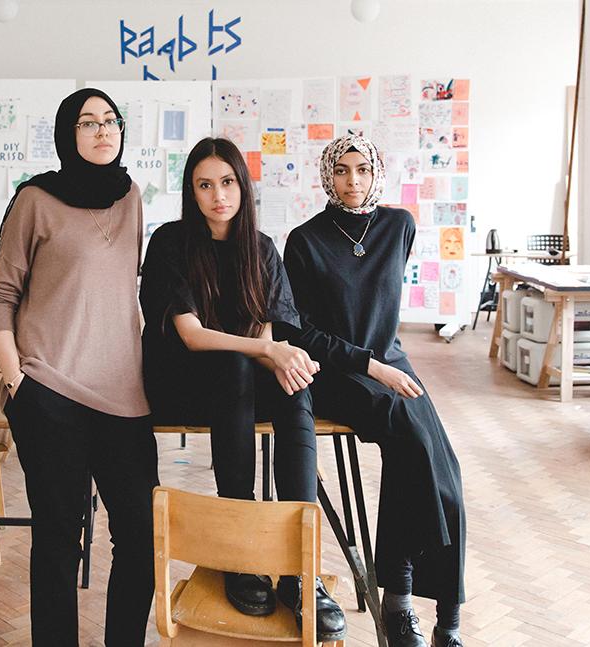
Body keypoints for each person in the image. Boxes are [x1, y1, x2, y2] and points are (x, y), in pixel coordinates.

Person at [139, 137, 347, 642]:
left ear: (242, 186)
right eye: (205, 185)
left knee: (294, 386)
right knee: (240, 365)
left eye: (227, 182)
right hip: (181, 379)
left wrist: (275, 355)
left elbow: (266, 327)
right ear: (191, 191)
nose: (218, 196)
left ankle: (300, 570)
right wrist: (266, 352)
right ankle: (241, 551)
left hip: (238, 380)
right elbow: (191, 335)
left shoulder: (259, 247)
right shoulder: (170, 242)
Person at [0, 87, 157, 646]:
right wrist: (16, 379)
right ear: (67, 134)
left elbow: (125, 290)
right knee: (59, 541)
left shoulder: (131, 195)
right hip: (51, 390)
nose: (103, 131)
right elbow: (1, 297)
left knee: (139, 536)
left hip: (124, 396)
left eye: (111, 121)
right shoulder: (34, 200)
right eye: (88, 123)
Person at [282, 134, 467, 647]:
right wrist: (370, 366)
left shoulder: (398, 226)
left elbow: (382, 313)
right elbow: (300, 332)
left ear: (376, 173)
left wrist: (385, 363)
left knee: (446, 468)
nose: (352, 181)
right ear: (327, 175)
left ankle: (447, 621)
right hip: (341, 373)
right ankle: (400, 600)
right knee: (413, 443)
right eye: (341, 171)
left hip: (391, 363)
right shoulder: (305, 240)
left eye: (362, 170)